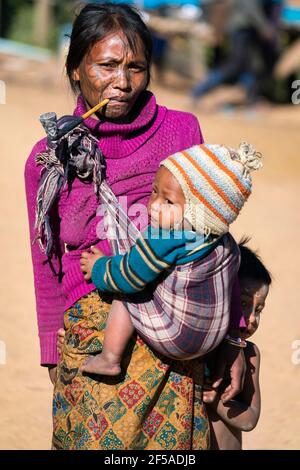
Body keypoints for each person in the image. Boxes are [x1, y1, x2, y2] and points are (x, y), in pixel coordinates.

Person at [25, 3, 246, 450]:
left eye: (136, 67)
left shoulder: (182, 132)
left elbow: (213, 237)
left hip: (178, 340)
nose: (122, 83)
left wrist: (234, 338)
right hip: (92, 342)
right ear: (75, 69)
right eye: (106, 66)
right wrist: (53, 355)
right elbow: (44, 260)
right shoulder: (47, 161)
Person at [78, 142, 261, 376]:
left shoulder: (168, 238)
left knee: (128, 293)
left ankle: (109, 359)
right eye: (154, 191)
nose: (154, 205)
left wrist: (99, 267)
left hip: (177, 336)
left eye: (169, 202)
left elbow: (128, 276)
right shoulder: (225, 242)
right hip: (212, 337)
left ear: (199, 212)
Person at [203, 238, 272, 450]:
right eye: (243, 303)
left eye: (258, 309)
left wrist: (216, 402)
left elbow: (250, 418)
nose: (251, 318)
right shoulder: (199, 347)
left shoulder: (250, 353)